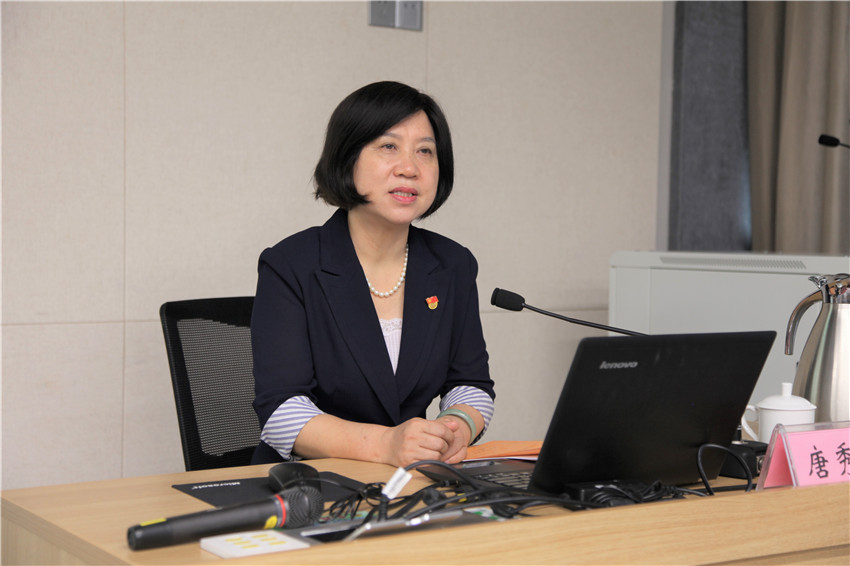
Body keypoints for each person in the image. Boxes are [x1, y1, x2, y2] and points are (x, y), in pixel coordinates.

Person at [251, 81, 495, 468]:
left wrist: (453, 430)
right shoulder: (291, 264)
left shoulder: (452, 264)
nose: (409, 168)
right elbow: (281, 413)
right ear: (347, 157)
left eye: (425, 151)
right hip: (308, 484)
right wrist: (386, 444)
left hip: (412, 481)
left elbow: (471, 383)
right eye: (388, 146)